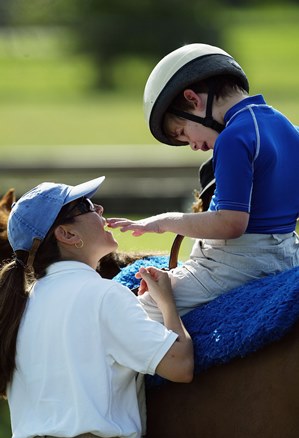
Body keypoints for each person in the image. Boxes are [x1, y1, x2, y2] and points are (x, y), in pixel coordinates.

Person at [107, 43, 299, 323]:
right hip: (288, 253)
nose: (194, 146)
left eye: (183, 132)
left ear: (193, 99)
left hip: (236, 264)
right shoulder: (289, 129)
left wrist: (164, 221)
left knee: (136, 314)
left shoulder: (234, 137)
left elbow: (230, 224)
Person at [0, 176, 194, 438]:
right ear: (67, 235)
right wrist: (167, 303)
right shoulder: (105, 295)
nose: (100, 209)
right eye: (87, 206)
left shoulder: (18, 308)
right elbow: (180, 365)